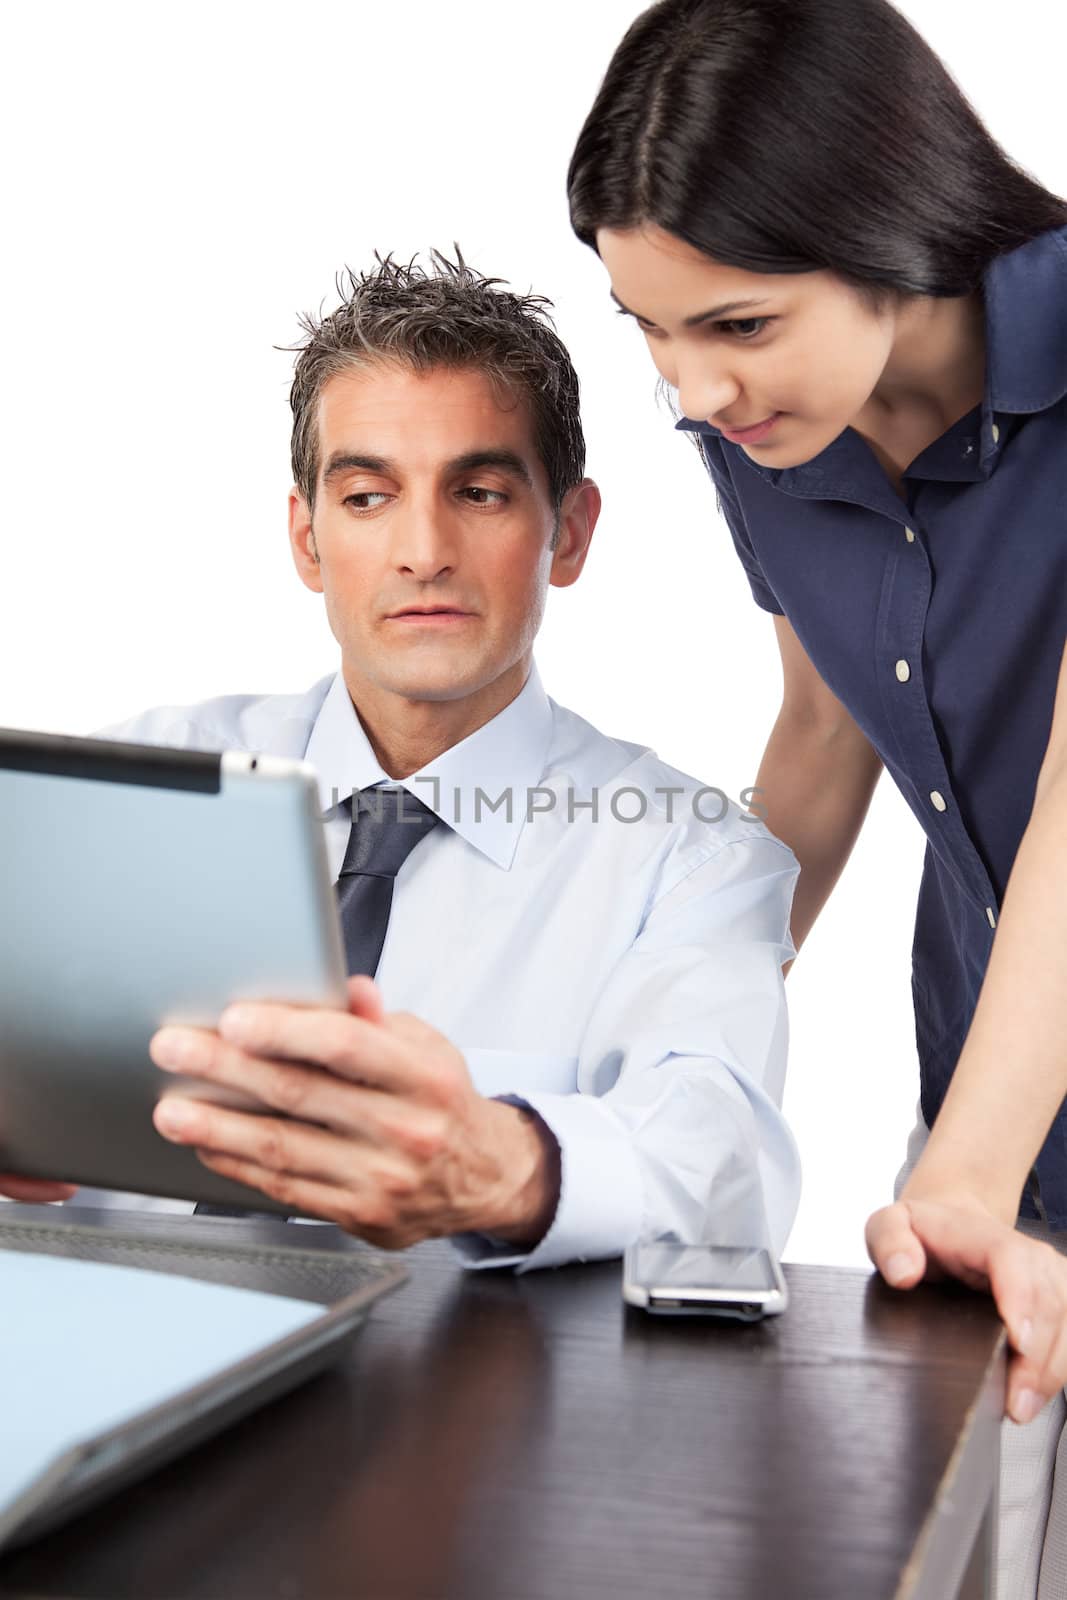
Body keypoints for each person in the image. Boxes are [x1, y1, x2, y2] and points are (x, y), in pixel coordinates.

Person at [1, 251, 801, 1275]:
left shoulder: (691, 860)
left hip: (460, 1404)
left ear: (569, 530)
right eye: (369, 496)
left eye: (478, 491)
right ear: (307, 538)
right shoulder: (129, 778)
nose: (423, 550)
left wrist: (503, 1165)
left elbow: (721, 1167)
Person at [565, 0, 1067, 1590]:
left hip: (993, 1140)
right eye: (647, 330)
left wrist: (965, 1170)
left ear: (888, 231)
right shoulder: (763, 428)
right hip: (993, 1107)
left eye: (733, 324)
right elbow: (816, 731)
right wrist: (621, 1048)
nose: (692, 387)